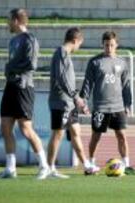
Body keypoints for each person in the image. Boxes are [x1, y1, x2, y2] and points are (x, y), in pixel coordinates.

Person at [0, 8, 49, 179]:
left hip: (23, 87)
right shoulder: (13, 41)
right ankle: (10, 168)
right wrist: (9, 70)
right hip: (10, 86)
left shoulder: (30, 39)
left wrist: (10, 68)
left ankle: (44, 165)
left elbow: (31, 64)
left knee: (25, 129)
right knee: (5, 126)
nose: (7, 23)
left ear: (16, 20)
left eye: (9, 20)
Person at [79, 31, 135, 175]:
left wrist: (128, 104)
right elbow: (88, 83)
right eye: (106, 45)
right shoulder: (95, 62)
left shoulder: (122, 63)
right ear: (102, 45)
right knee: (96, 136)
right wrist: (83, 101)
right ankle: (91, 164)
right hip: (100, 106)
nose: (109, 48)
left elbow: (126, 85)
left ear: (116, 45)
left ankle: (126, 164)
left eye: (112, 45)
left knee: (122, 136)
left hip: (118, 106)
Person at [47, 27, 96, 178]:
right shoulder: (61, 53)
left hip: (70, 103)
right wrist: (76, 97)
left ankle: (87, 165)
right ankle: (49, 168)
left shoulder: (65, 55)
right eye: (79, 44)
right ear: (75, 41)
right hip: (61, 102)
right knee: (58, 133)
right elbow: (62, 80)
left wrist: (78, 102)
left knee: (76, 132)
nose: (79, 47)